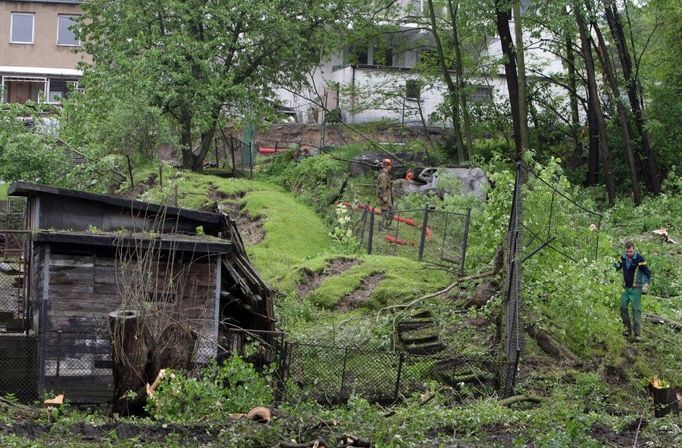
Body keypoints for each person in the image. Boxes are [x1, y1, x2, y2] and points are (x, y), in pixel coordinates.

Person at [614, 241, 651, 341]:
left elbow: (647, 273)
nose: (628, 254)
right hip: (625, 288)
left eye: (630, 252)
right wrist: (608, 268)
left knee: (636, 310)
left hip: (636, 289)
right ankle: (627, 329)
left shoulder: (639, 259)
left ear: (633, 249)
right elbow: (616, 267)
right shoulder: (623, 258)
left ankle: (637, 334)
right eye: (627, 252)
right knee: (622, 307)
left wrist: (646, 284)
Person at [376, 158, 394, 230]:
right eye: (390, 165)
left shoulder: (385, 174)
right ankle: (381, 227)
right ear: (387, 166)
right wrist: (383, 197)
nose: (391, 167)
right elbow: (381, 187)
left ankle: (385, 226)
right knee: (384, 212)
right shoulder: (383, 175)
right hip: (385, 196)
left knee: (389, 211)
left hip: (387, 195)